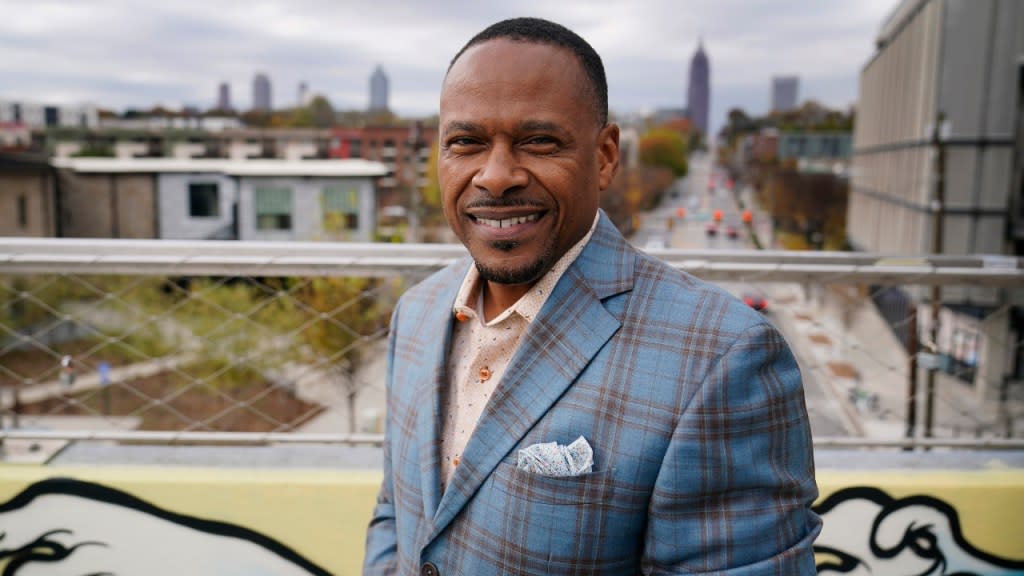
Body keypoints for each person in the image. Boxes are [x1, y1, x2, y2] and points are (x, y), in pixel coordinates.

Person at [364, 17, 821, 575]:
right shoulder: (415, 314)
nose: (497, 175)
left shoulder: (724, 359)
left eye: (538, 141)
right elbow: (396, 511)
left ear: (604, 157)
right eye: (466, 143)